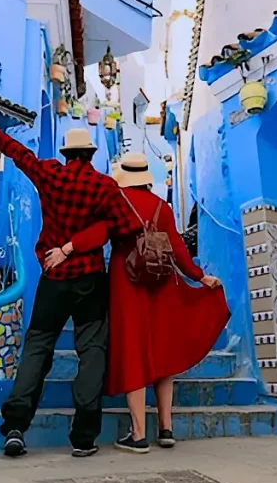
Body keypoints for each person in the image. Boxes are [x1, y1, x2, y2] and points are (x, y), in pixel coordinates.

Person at [0, 111, 139, 458]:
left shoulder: (51, 174)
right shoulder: (105, 186)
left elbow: (23, 157)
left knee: (37, 348)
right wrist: (88, 240)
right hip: (91, 281)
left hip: (53, 278)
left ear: (66, 154)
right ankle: (84, 437)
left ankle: (16, 426)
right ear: (92, 155)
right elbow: (127, 228)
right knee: (92, 353)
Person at [45, 153, 229, 453]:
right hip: (161, 282)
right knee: (162, 354)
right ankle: (166, 428)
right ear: (146, 177)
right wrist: (200, 277)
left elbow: (99, 234)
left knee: (133, 352)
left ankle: (139, 433)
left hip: (127, 283)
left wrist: (69, 248)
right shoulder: (163, 207)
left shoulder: (114, 201)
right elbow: (180, 250)